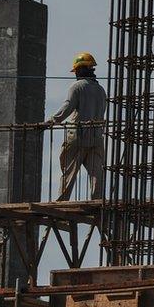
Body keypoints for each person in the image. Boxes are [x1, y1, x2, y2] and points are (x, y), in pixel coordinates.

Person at [46, 52, 107, 201]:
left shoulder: (77, 87)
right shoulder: (101, 90)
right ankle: (97, 202)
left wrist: (51, 121)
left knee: (69, 170)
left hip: (78, 137)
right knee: (96, 174)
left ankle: (62, 201)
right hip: (97, 138)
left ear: (80, 70)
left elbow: (67, 107)